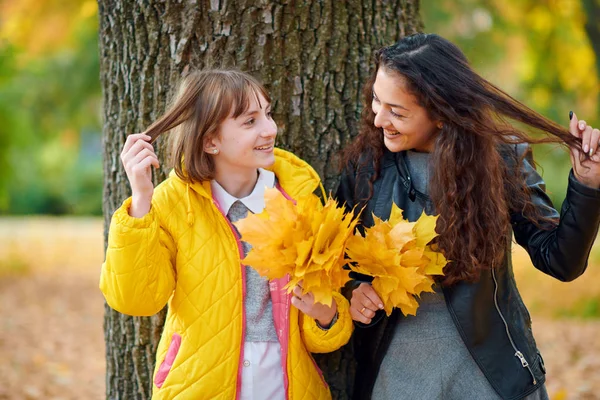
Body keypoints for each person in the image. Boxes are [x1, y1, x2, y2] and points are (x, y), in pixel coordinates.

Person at [336, 33, 600, 400]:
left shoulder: (501, 161)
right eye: (377, 102)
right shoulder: (367, 167)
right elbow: (337, 260)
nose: (379, 120)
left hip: (491, 378)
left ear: (443, 114)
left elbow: (560, 260)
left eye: (396, 111)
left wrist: (587, 186)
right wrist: (353, 289)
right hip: (396, 382)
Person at [100, 69, 353, 400]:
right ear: (210, 141)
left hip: (285, 387)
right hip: (197, 386)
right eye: (250, 121)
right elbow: (136, 300)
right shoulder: (171, 203)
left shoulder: (299, 198)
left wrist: (327, 315)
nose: (271, 129)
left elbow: (327, 335)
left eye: (268, 113)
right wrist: (141, 200)